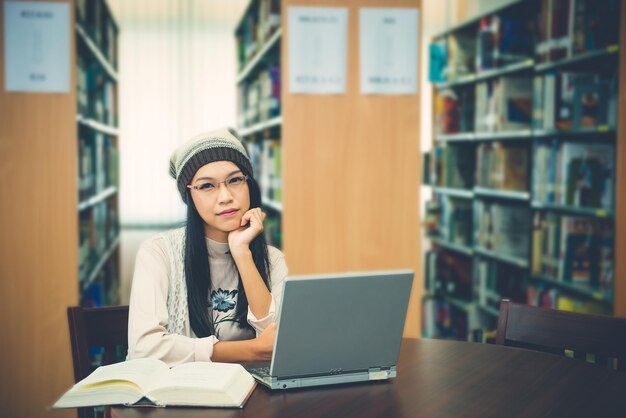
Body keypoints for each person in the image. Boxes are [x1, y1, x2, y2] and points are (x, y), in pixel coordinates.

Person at [127, 127, 287, 366]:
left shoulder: (272, 259)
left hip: (250, 395)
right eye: (207, 186)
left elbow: (276, 341)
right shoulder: (158, 252)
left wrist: (242, 254)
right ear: (190, 196)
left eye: (235, 180)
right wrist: (251, 350)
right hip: (179, 396)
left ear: (248, 185)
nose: (225, 197)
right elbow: (144, 349)